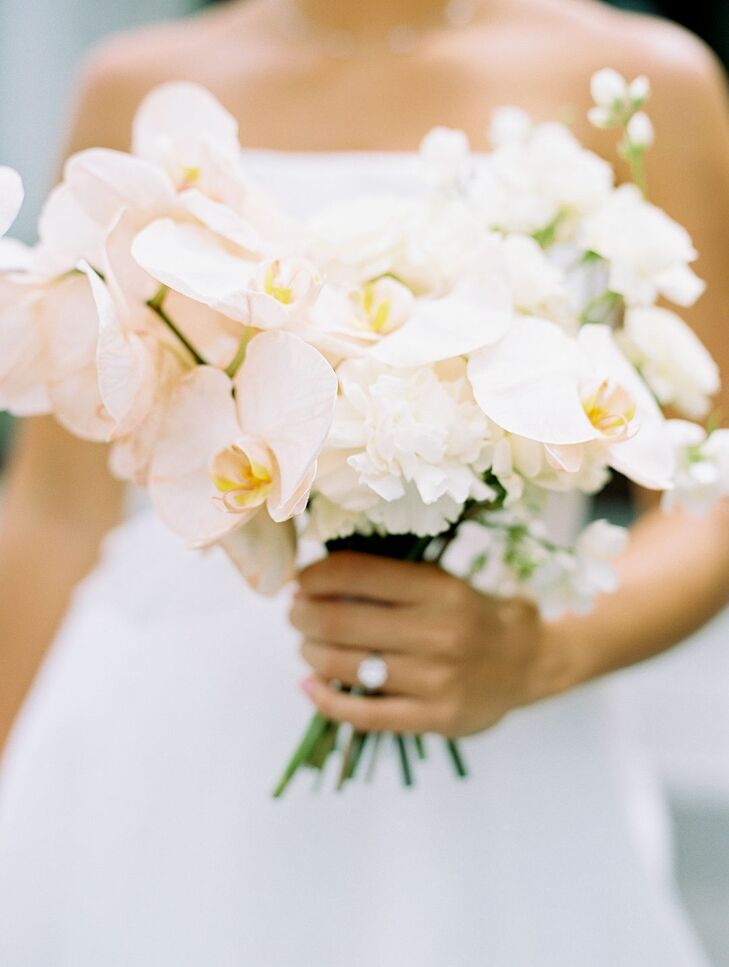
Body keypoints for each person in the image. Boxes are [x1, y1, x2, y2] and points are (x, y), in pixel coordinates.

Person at [1, 1, 728, 963]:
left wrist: (541, 651)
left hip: (499, 754)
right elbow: (57, 507)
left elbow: (708, 482)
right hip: (152, 744)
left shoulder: (644, 81)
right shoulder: (133, 82)